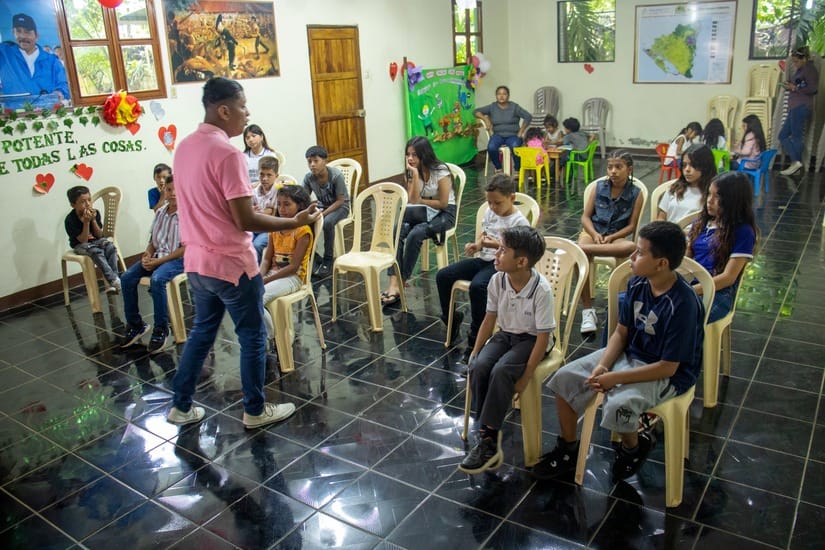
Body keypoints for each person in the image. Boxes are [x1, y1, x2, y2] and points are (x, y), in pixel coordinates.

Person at [167, 77, 319, 429]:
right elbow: (245, 218)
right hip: (232, 265)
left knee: (201, 333)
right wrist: (293, 221)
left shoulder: (185, 148)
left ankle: (181, 406)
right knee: (252, 334)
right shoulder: (228, 154)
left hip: (197, 263)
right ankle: (254, 410)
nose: (246, 113)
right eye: (242, 106)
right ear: (223, 110)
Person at [532, 221, 705, 482]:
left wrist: (615, 378)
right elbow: (621, 333)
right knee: (565, 378)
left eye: (640, 253)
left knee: (618, 404)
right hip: (631, 355)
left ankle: (633, 448)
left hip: (667, 373)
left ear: (662, 263)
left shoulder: (683, 304)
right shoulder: (638, 284)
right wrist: (603, 365)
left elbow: (668, 367)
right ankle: (568, 448)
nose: (632, 257)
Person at [459, 226, 555, 474]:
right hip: (506, 334)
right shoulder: (497, 280)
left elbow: (543, 337)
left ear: (521, 262)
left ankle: (488, 438)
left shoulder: (541, 290)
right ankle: (487, 431)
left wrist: (526, 377)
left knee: (501, 370)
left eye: (502, 250)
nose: (496, 254)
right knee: (479, 366)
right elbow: (489, 319)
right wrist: (475, 351)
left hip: (532, 340)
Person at [435, 174, 529, 357]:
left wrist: (494, 245)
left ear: (511, 198)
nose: (492, 207)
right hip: (483, 260)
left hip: (501, 265)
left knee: (478, 287)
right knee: (443, 275)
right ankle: (451, 318)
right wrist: (477, 245)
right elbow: (484, 234)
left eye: (497, 203)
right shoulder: (490, 212)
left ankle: (475, 341)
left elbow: (517, 253)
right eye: (489, 202)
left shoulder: (519, 222)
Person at [381, 136, 456, 306]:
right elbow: (412, 199)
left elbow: (443, 203)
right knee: (397, 229)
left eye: (414, 155)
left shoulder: (440, 170)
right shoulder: (411, 171)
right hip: (422, 211)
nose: (410, 158)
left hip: (445, 213)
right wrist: (414, 176)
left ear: (424, 154)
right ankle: (393, 282)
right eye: (408, 154)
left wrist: (422, 201)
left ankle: (402, 281)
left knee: (416, 233)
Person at [577, 150, 644, 335]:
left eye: (618, 167)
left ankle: (582, 249)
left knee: (630, 247)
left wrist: (612, 238)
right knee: (582, 254)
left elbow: (631, 226)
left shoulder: (636, 193)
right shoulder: (598, 187)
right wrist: (594, 234)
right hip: (592, 232)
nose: (613, 171)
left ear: (629, 169)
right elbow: (585, 217)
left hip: (616, 235)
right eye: (610, 167)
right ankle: (587, 310)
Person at [120, 176, 185, 353]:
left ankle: (161, 328)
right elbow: (153, 241)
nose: (173, 193)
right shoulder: (161, 212)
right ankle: (136, 325)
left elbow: (185, 248)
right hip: (158, 256)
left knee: (157, 279)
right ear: (164, 191)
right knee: (126, 277)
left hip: (178, 259)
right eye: (169, 190)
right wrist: (147, 255)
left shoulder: (188, 213)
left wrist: (159, 262)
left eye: (176, 189)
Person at [686, 172, 757, 323]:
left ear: (733, 200)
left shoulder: (743, 231)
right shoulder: (702, 222)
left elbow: (728, 278)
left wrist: (690, 291)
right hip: (693, 282)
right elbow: (686, 258)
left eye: (717, 196)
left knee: (681, 316)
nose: (709, 201)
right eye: (709, 194)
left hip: (719, 291)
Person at [260, 185, 314, 340]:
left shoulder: (302, 231)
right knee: (246, 294)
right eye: (279, 204)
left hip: (293, 278)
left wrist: (266, 280)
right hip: (274, 273)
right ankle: (271, 334)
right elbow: (266, 259)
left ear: (300, 206)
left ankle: (273, 336)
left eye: (287, 204)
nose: (282, 209)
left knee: (257, 298)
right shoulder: (275, 228)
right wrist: (259, 276)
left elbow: (293, 267)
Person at [0, 13, 70, 106]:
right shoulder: (5, 54)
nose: (22, 36)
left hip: (46, 112)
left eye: (27, 32)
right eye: (18, 31)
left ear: (36, 36)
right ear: (13, 32)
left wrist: (59, 92)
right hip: (14, 113)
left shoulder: (52, 60)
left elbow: (63, 84)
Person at [302, 145, 349, 278]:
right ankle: (313, 256)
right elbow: (302, 198)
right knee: (306, 221)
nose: (312, 165)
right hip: (322, 206)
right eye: (309, 161)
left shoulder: (336, 176)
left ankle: (328, 259)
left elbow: (340, 201)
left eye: (316, 161)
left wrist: (322, 214)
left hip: (341, 207)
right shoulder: (309, 178)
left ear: (325, 161)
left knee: (327, 223)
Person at [64, 185, 121, 294]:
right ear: (73, 205)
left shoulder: (95, 213)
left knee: (110, 247)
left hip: (96, 241)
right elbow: (83, 240)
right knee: (96, 252)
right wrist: (86, 222)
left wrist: (93, 220)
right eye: (83, 202)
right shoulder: (70, 220)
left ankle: (113, 281)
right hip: (80, 245)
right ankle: (114, 280)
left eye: (89, 200)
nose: (88, 204)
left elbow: (99, 235)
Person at [779, 46, 820, 176]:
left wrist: (794, 88)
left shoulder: (810, 69)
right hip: (794, 106)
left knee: (796, 136)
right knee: (782, 135)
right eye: (793, 61)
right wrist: (790, 86)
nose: (794, 64)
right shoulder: (801, 70)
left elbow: (813, 89)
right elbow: (800, 85)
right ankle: (796, 164)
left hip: (801, 106)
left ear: (804, 59)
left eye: (796, 61)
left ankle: (796, 163)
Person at [474, 85, 532, 172]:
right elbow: (475, 112)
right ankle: (498, 168)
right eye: (499, 94)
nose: (501, 96)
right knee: (491, 147)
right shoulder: (492, 107)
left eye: (504, 94)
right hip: (498, 135)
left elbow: (528, 116)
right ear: (496, 96)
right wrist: (486, 119)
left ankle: (517, 169)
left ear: (508, 96)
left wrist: (521, 131)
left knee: (515, 146)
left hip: (513, 135)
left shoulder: (514, 107)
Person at [656, 144, 716, 223]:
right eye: (684, 165)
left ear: (705, 166)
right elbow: (661, 217)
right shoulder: (674, 188)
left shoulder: (712, 193)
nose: (687, 169)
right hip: (669, 230)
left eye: (693, 165)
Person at [251, 155, 280, 261]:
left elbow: (273, 215)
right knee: (242, 241)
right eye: (261, 174)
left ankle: (256, 271)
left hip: (270, 230)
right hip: (254, 227)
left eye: (269, 175)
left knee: (257, 245)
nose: (264, 178)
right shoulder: (254, 192)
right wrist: (262, 212)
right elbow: (249, 212)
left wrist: (259, 213)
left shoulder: (279, 192)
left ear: (276, 176)